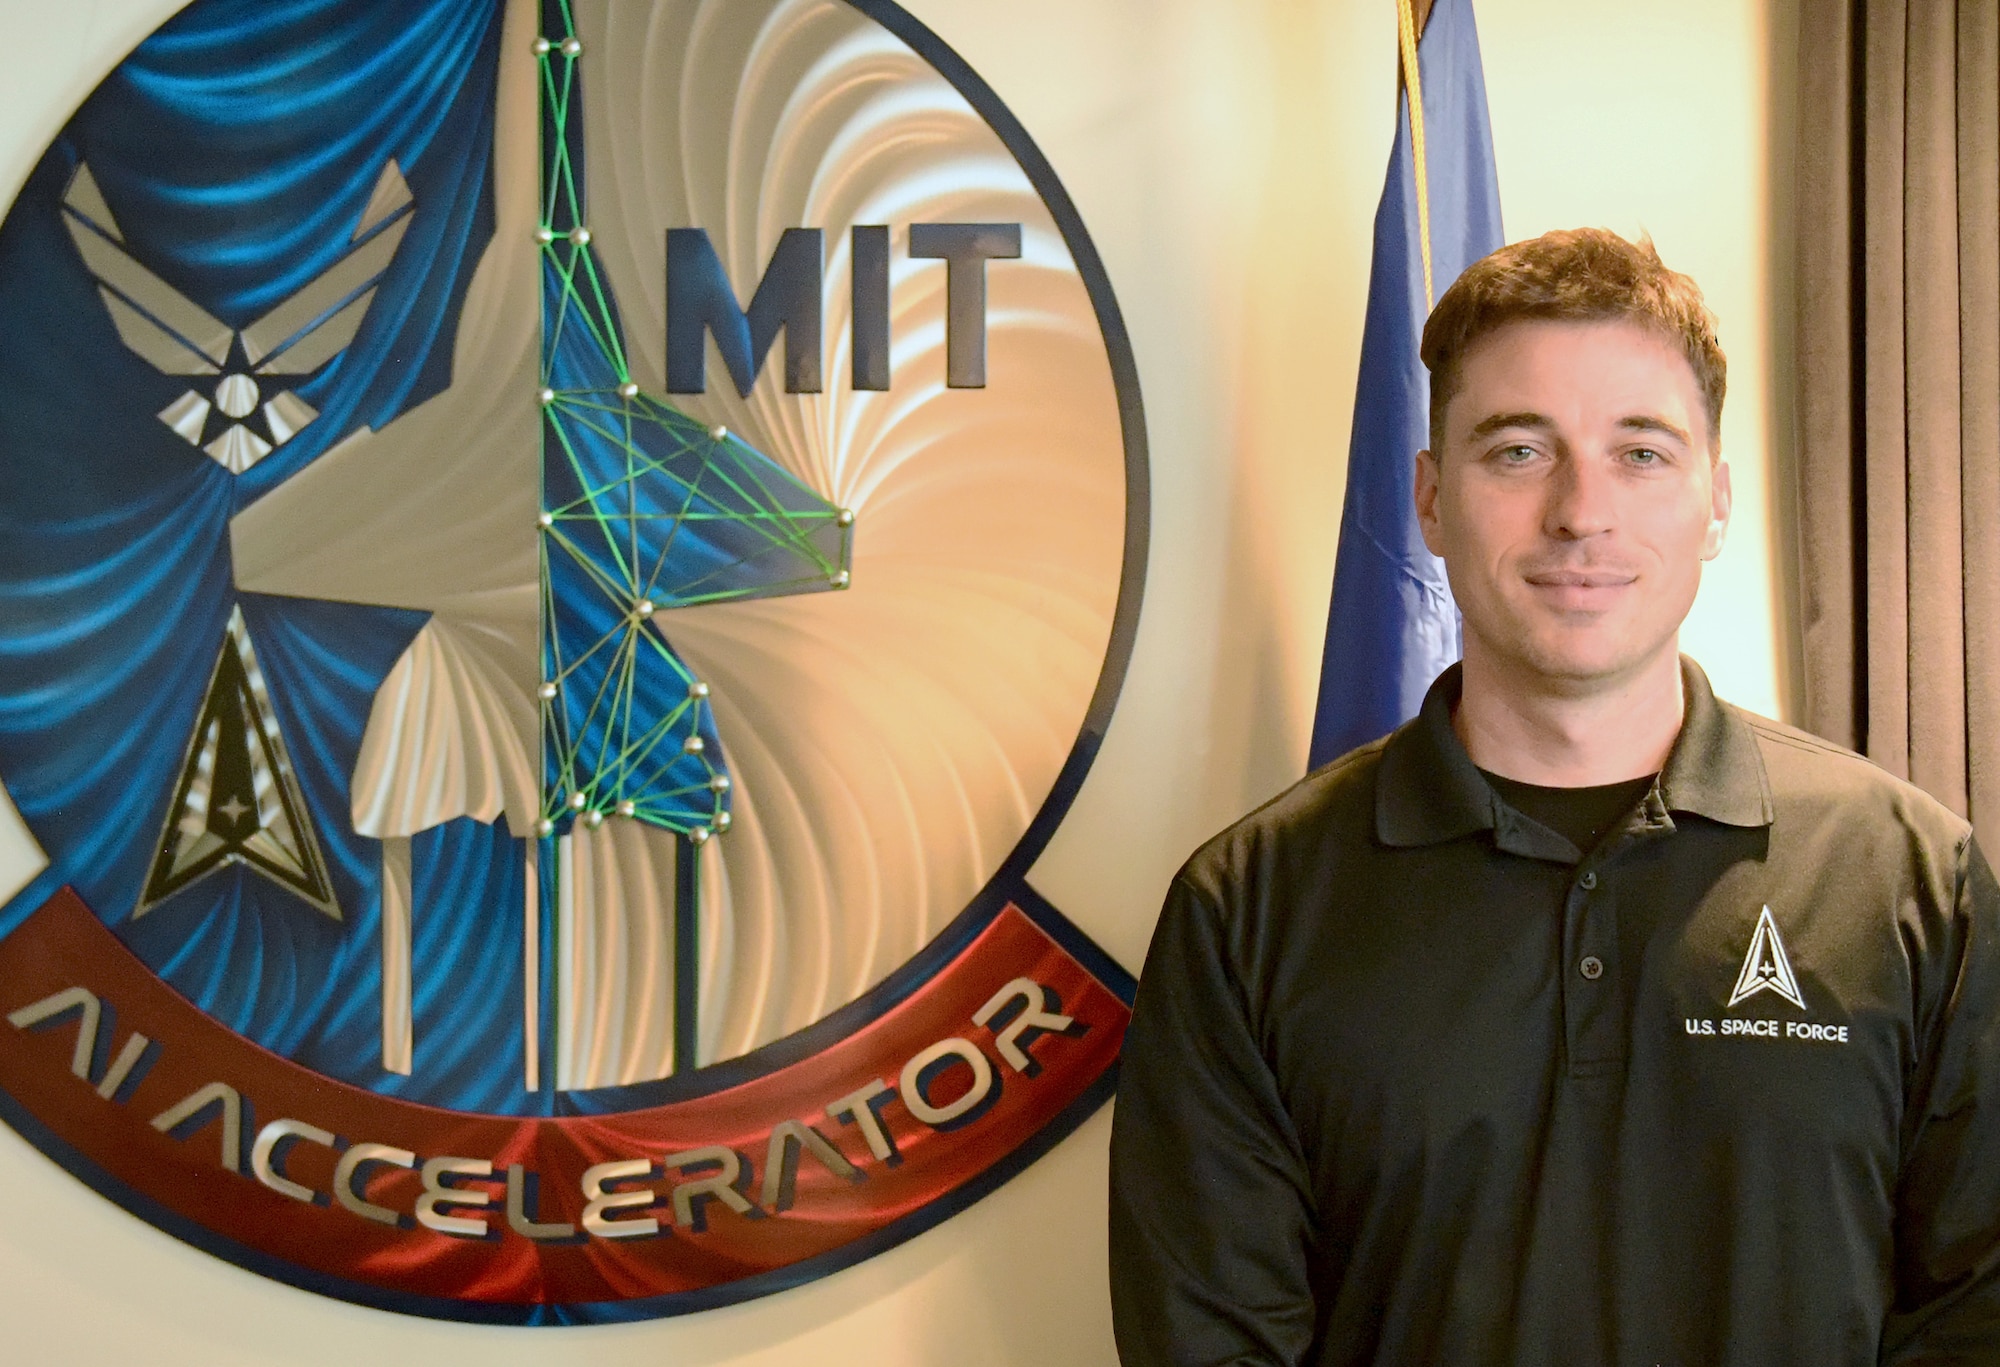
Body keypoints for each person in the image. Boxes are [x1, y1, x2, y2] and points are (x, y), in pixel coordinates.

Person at [1108, 228, 2000, 1366]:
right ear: (1430, 499)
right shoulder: (1248, 909)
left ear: (1713, 502)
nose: (1581, 512)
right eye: (1517, 450)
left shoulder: (1909, 881)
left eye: (1640, 453)